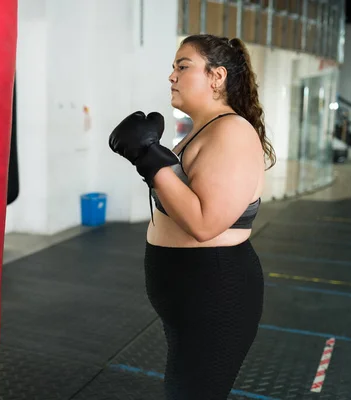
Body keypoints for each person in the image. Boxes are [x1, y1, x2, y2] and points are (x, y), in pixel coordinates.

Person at [108, 34, 276, 399]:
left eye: (182, 67)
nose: (172, 76)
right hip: (191, 294)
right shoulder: (201, 131)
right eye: (173, 67)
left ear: (216, 77)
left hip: (215, 293)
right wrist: (152, 157)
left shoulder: (231, 131)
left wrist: (148, 158)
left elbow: (204, 224)